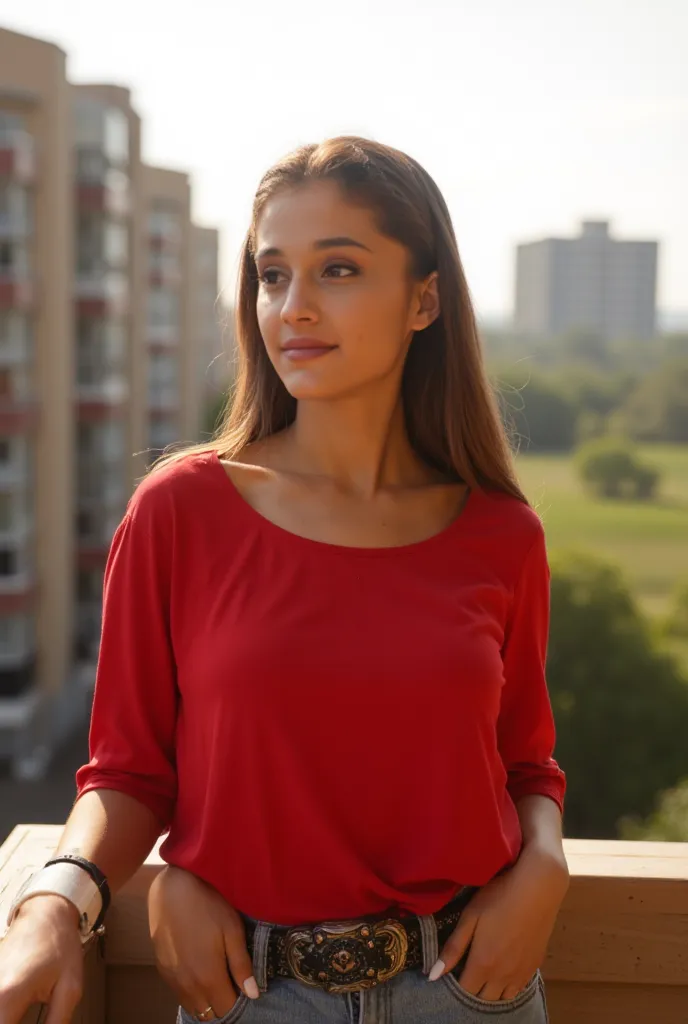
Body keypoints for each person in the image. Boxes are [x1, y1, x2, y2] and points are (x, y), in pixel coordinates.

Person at [0, 136, 568, 1024]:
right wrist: (53, 903)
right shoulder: (181, 512)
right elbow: (128, 772)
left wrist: (545, 865)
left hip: (473, 991)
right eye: (273, 275)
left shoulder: (501, 535)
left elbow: (527, 762)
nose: (293, 307)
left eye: (338, 269)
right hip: (253, 996)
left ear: (425, 300)